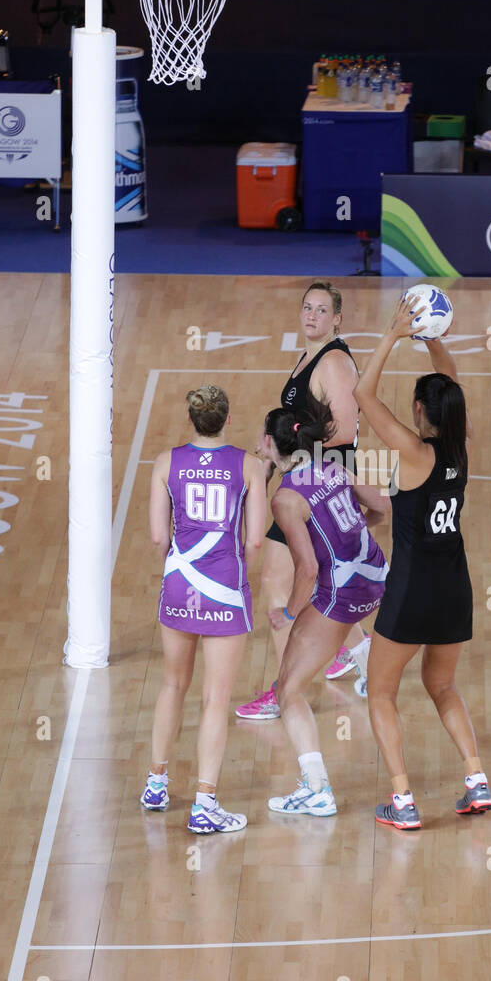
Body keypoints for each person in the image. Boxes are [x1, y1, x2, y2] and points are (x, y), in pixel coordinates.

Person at [354, 296, 491, 831]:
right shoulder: (461, 447)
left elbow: (363, 394)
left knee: (383, 691)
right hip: (454, 588)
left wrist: (393, 335)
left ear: (418, 412)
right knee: (443, 687)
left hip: (411, 588)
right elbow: (450, 382)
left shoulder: (415, 453)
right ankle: (476, 779)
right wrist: (431, 338)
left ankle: (403, 800)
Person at [237, 281, 372, 720]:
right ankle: (360, 655)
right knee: (318, 577)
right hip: (308, 478)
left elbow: (347, 432)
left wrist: (294, 457)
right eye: (306, 307)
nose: (311, 315)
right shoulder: (309, 356)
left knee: (279, 584)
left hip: (316, 484)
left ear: (337, 318)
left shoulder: (332, 361)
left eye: (321, 309)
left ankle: (283, 691)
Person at [142, 385, 266, 833]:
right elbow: (254, 540)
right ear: (227, 420)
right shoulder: (248, 465)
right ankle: (204, 803)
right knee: (215, 698)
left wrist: (178, 568)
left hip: (180, 586)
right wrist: (237, 575)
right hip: (225, 591)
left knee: (173, 684)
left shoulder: (165, 463)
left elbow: (159, 537)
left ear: (191, 420)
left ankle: (156, 782)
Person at [261, 401, 390, 817]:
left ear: (269, 443)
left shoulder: (285, 498)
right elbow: (382, 508)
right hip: (376, 576)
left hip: (342, 592)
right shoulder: (332, 467)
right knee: (300, 670)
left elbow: (308, 568)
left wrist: (290, 614)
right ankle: (364, 660)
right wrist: (355, 524)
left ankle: (316, 789)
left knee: (288, 688)